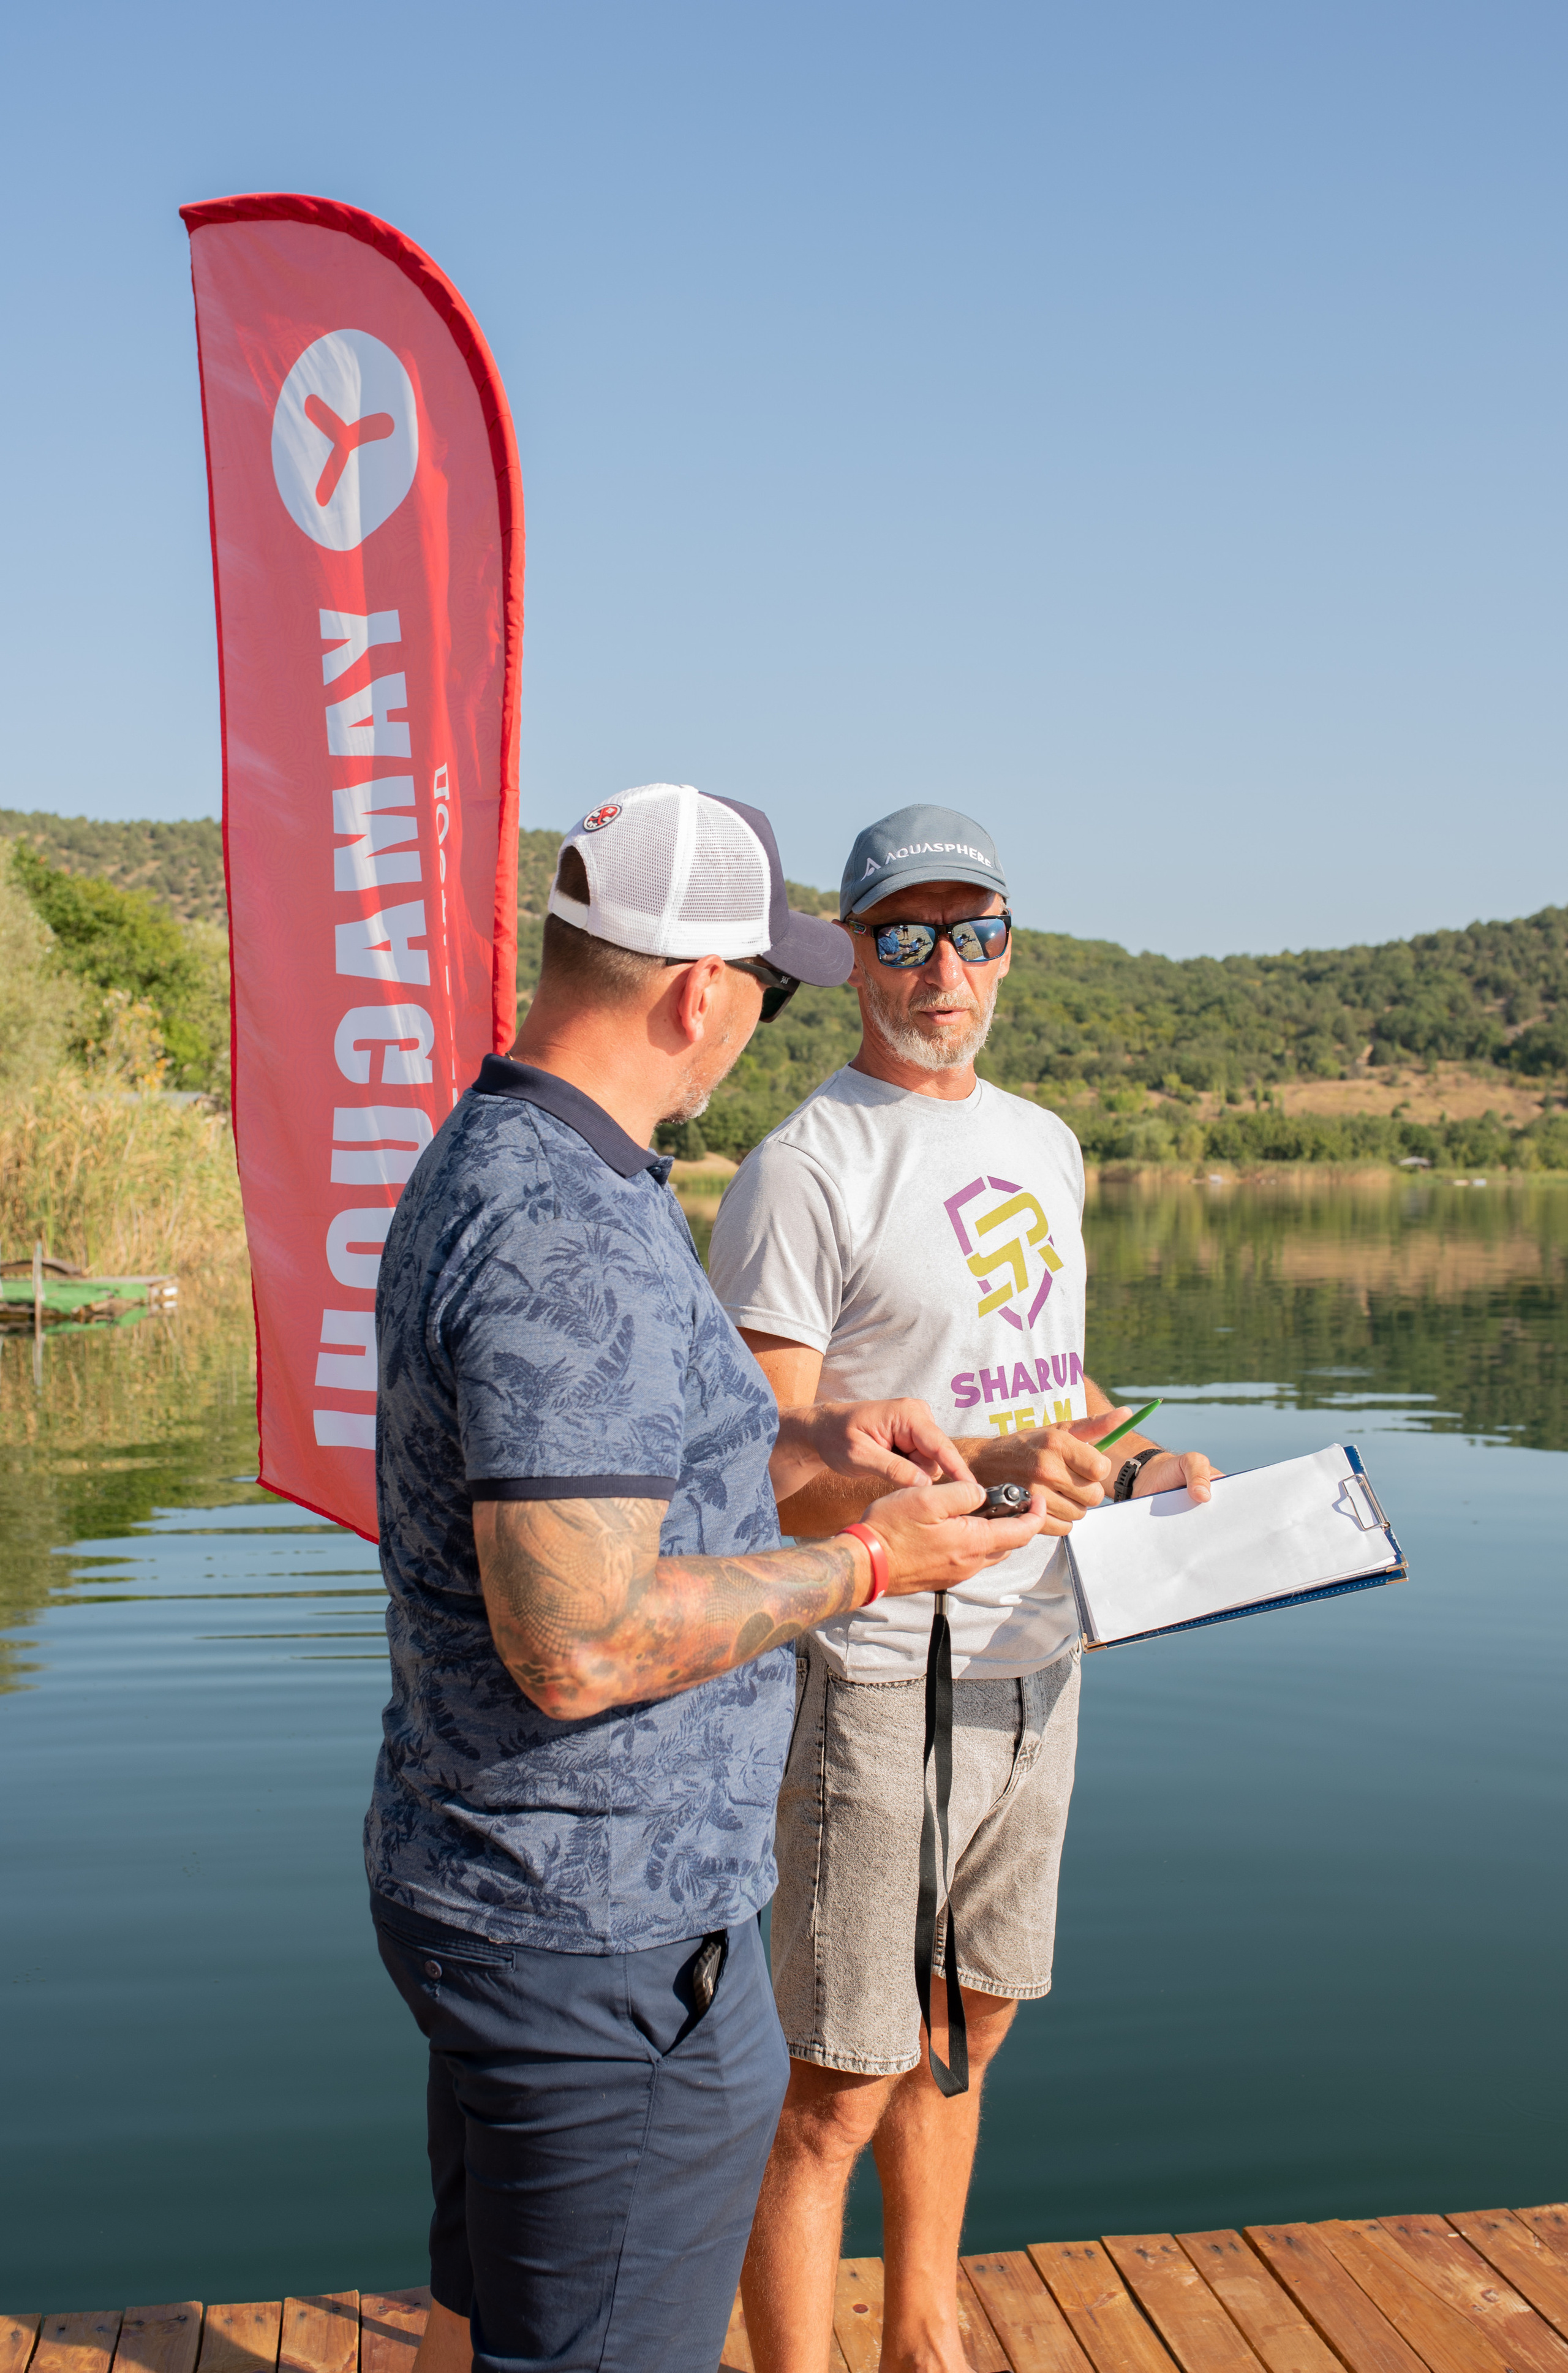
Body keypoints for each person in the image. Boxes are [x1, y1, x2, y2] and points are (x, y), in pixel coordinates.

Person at [364, 782, 1050, 2373]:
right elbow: (580, 1641)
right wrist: (874, 1557)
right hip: (601, 1938)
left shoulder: (512, 1149)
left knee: (524, 2333)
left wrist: (813, 1426)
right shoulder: (570, 1232)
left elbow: (610, 1468)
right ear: (696, 990)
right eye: (772, 982)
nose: (760, 1019)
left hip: (496, 1886)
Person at [707, 803, 1218, 2373]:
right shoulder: (805, 1166)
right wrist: (989, 1471)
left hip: (1038, 1641)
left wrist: (1134, 1466)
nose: (945, 969)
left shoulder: (1043, 1141)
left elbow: (1048, 1394)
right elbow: (759, 1468)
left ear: (1010, 947)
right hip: (869, 1668)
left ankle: (923, 2334)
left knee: (969, 2019)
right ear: (853, 954)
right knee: (839, 2079)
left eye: (973, 931)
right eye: (906, 934)